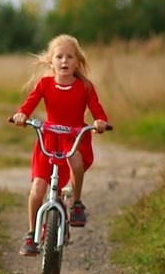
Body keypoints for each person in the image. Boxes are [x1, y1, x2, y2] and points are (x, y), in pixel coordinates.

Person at [8, 34, 109, 256]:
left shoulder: (85, 87)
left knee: (76, 162)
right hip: (49, 137)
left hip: (74, 138)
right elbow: (29, 104)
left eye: (70, 57)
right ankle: (31, 234)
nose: (64, 61)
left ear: (77, 62)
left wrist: (100, 121)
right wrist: (22, 115)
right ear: (51, 61)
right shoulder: (44, 84)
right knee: (37, 189)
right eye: (59, 56)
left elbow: (97, 110)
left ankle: (77, 203)